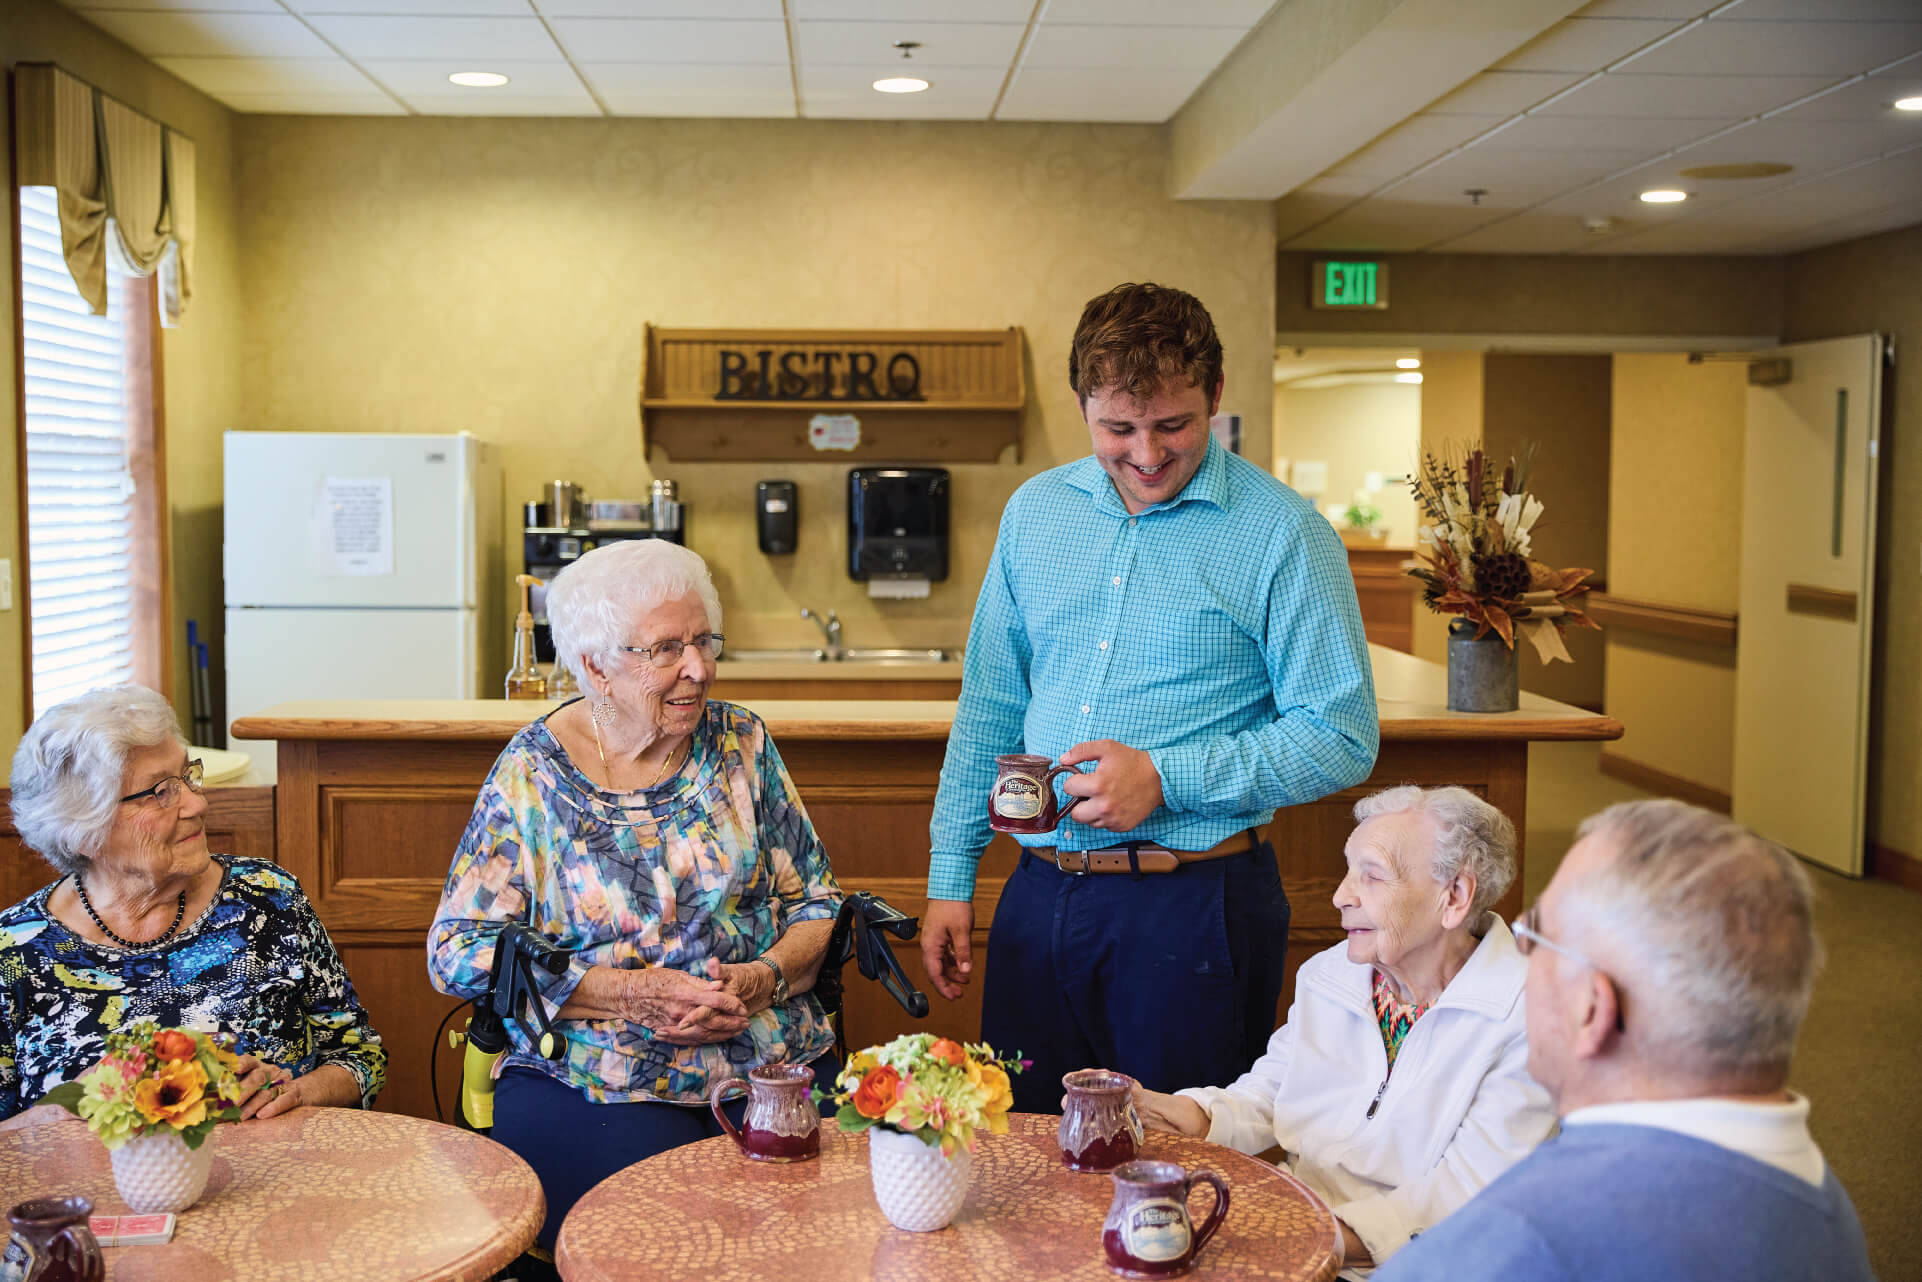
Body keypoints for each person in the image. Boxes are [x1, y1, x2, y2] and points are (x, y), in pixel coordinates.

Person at [921, 281, 1378, 1111]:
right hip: (1036, 895)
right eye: (1116, 429)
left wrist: (1169, 777)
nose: (1146, 453)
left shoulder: (1284, 534)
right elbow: (989, 704)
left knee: (1171, 1173)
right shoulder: (1035, 514)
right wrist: (952, 873)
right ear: (1081, 406)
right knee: (1022, 1162)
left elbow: (1341, 734)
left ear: (1215, 395)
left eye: (1173, 425)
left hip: (1193, 908)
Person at [428, 539, 844, 1251]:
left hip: (771, 1064)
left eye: (704, 641)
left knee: (817, 1235)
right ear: (594, 665)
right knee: (667, 1242)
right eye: (666, 649)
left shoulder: (741, 742)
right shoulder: (532, 775)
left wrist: (762, 980)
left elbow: (816, 901)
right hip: (594, 1075)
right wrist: (630, 995)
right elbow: (456, 953)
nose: (698, 668)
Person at [1373, 800, 1874, 1282]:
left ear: (1590, 1010)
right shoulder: (1824, 1202)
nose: (1519, 948)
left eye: (1537, 934)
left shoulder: (1524, 1238)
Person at [1133, 786, 1554, 1276]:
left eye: (1371, 876)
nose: (1341, 895)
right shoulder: (1331, 975)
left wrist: (1288, 1233)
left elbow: (1465, 1195)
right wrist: (1190, 1114)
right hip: (1297, 1226)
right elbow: (1272, 1093)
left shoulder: (1531, 1014)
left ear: (1455, 896)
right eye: (1349, 870)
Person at [0, 685, 385, 1122]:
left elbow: (360, 1056)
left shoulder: (267, 898)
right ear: (85, 830)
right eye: (161, 791)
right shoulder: (14, 954)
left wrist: (298, 1092)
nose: (198, 803)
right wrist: (78, 1102)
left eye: (187, 776)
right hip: (92, 1190)